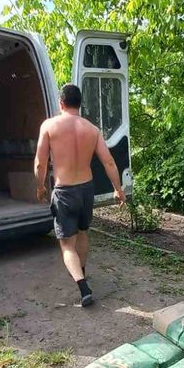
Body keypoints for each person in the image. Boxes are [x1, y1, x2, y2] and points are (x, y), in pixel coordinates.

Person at [34, 83, 126, 307]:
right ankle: (81, 271)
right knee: (83, 233)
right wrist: (118, 189)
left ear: (61, 103)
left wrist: (40, 187)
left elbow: (40, 163)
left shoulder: (49, 126)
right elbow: (109, 161)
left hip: (65, 191)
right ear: (80, 103)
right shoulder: (92, 129)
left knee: (67, 244)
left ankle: (83, 287)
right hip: (86, 188)